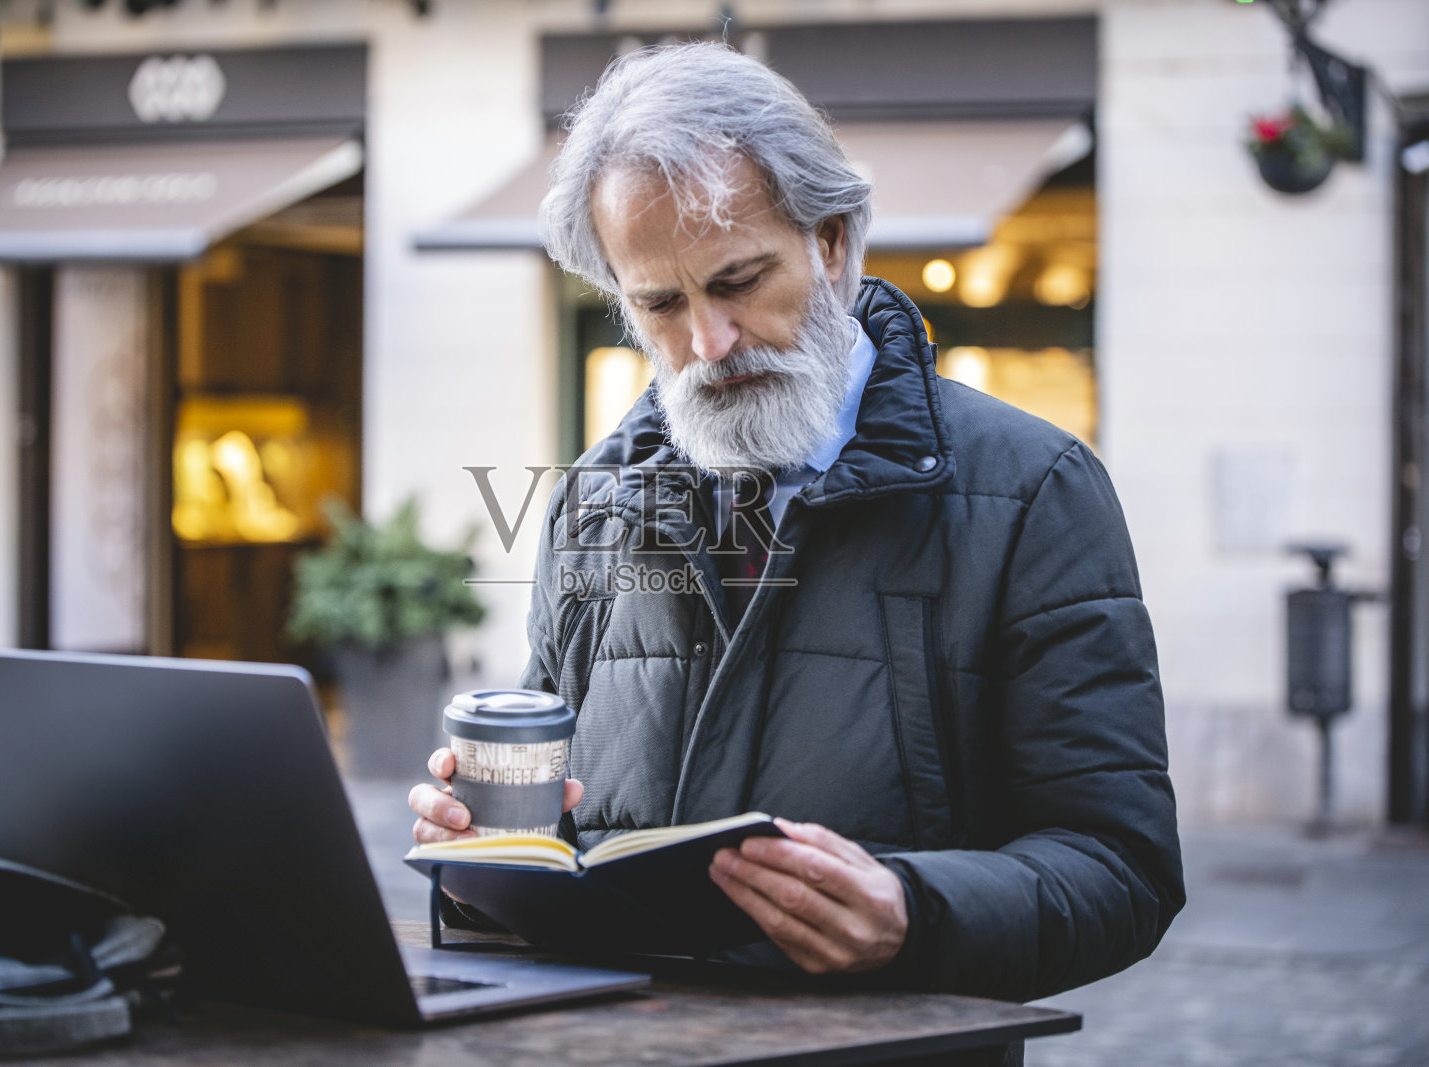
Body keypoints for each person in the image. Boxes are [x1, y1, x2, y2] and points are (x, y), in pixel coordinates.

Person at [409, 42, 1184, 1004]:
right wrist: (484, 861)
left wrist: (914, 910)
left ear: (829, 242)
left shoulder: (1036, 489)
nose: (707, 343)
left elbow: (1123, 868)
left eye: (737, 281)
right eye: (658, 303)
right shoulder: (592, 499)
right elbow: (548, 845)